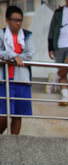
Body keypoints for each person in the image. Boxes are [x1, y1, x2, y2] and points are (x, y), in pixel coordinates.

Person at [0, 6, 34, 135]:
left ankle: (14, 141)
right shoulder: (1, 34)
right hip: (4, 80)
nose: (18, 23)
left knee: (18, 114)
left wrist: (13, 57)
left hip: (21, 80)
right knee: (3, 114)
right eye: (15, 20)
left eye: (20, 20)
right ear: (7, 20)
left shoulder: (27, 35)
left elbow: (29, 55)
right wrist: (13, 56)